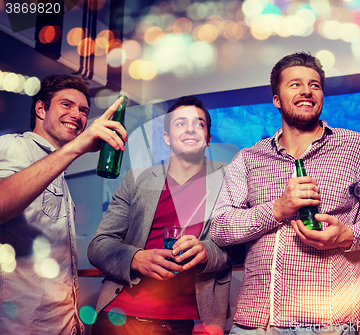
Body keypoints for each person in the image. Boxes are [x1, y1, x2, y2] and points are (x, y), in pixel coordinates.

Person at [210, 52, 360, 335]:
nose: (307, 91)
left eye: (315, 85)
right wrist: (277, 209)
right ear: (276, 100)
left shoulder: (359, 148)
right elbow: (221, 227)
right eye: (295, 84)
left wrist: (348, 236)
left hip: (326, 323)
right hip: (253, 324)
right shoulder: (249, 158)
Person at [87, 96, 240, 335]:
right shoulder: (137, 179)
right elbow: (98, 246)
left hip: (188, 323)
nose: (190, 128)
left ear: (208, 138)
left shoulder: (231, 177)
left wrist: (206, 252)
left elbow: (242, 246)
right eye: (180, 123)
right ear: (167, 137)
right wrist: (136, 258)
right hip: (118, 316)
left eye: (199, 123)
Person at [0, 74, 127, 334]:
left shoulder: (57, 170)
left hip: (63, 325)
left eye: (83, 110)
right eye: (66, 105)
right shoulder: (13, 146)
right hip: (21, 325)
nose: (77, 115)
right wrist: (76, 148)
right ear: (40, 108)